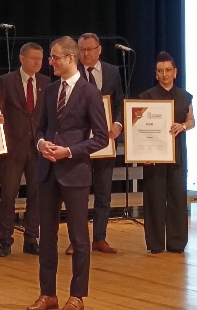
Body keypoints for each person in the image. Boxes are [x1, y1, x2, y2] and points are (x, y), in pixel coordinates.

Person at [26, 36, 108, 310]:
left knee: (79, 237)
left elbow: (101, 138)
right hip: (48, 171)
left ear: (71, 58)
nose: (50, 62)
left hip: (74, 172)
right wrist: (41, 143)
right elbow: (40, 127)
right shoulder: (50, 90)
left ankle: (77, 295)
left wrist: (69, 151)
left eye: (54, 57)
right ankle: (47, 294)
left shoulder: (89, 93)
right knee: (47, 236)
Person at [65, 33, 124, 255]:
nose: (86, 53)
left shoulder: (112, 71)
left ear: (99, 50)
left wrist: (117, 123)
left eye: (90, 49)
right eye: (82, 50)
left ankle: (100, 237)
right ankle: (77, 240)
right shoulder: (71, 72)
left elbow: (119, 102)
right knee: (77, 195)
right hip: (79, 143)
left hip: (105, 141)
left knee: (103, 192)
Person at [0, 42, 50, 256]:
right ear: (22, 59)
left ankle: (31, 238)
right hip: (13, 147)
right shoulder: (7, 81)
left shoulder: (45, 82)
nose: (38, 63)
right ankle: (5, 240)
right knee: (8, 195)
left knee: (36, 195)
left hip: (37, 147)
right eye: (33, 58)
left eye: (40, 59)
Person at [139, 51, 194, 254]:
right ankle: (155, 244)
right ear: (156, 73)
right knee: (154, 198)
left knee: (177, 197)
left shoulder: (184, 96)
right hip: (153, 156)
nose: (165, 74)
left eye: (168, 70)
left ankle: (176, 243)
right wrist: (141, 154)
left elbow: (191, 120)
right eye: (160, 71)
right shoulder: (146, 96)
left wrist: (183, 126)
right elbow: (137, 127)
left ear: (175, 72)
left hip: (177, 153)